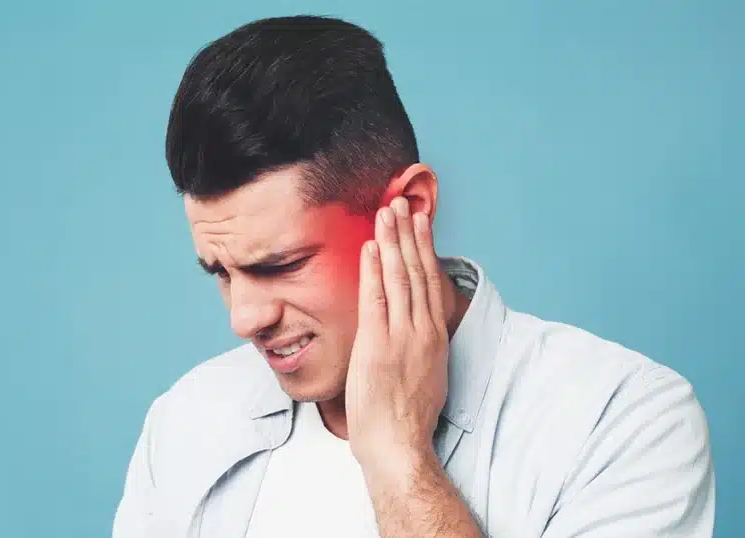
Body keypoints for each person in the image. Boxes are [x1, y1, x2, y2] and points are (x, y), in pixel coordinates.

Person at [112, 14, 715, 538]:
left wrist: (400, 460)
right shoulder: (186, 421)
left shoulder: (620, 421)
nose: (244, 318)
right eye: (221, 272)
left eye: (283, 265)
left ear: (412, 209)